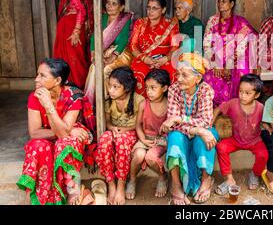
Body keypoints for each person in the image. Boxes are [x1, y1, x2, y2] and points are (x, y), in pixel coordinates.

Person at [17, 58, 94, 205]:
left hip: (68, 140)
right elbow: (34, 133)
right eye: (37, 75)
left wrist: (49, 106)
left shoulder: (74, 96)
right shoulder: (35, 97)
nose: (36, 79)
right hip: (55, 134)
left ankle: (72, 190)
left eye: (42, 75)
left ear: (57, 80)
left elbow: (64, 136)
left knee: (65, 143)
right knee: (37, 145)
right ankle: (38, 193)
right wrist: (67, 131)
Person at [160, 53, 218, 205]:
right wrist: (197, 130)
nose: (179, 79)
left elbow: (205, 122)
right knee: (174, 137)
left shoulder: (205, 90)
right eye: (178, 74)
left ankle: (206, 179)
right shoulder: (174, 90)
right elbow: (172, 123)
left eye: (184, 75)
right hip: (186, 132)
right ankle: (176, 185)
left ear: (197, 79)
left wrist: (182, 119)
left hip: (198, 131)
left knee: (207, 137)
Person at [95, 67, 145, 205]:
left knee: (122, 141)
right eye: (109, 86)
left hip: (131, 133)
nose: (110, 90)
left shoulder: (138, 100)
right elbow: (108, 122)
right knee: (105, 139)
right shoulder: (108, 101)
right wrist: (113, 129)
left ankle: (121, 184)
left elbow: (140, 124)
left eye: (115, 87)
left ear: (127, 88)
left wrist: (124, 130)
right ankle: (111, 183)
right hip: (116, 131)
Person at [214, 74, 268, 195]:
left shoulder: (261, 108)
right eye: (240, 91)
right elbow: (218, 109)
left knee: (263, 154)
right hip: (235, 139)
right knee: (221, 147)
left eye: (248, 93)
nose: (242, 95)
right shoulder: (233, 103)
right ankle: (229, 179)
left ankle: (255, 174)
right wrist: (209, 125)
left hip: (254, 140)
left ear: (257, 95)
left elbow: (265, 122)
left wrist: (269, 127)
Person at [203, 0, 258, 106]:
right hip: (215, 58)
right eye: (219, 1)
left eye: (224, 1)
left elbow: (242, 47)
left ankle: (236, 105)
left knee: (241, 71)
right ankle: (218, 107)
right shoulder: (212, 20)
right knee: (209, 75)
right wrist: (216, 63)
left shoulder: (240, 22)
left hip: (234, 58)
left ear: (232, 4)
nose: (220, 4)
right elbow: (206, 44)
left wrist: (229, 64)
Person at [127, 69, 170, 200]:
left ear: (164, 88)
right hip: (146, 137)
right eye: (147, 88)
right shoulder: (143, 104)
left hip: (162, 140)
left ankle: (163, 177)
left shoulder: (169, 104)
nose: (149, 92)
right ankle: (132, 180)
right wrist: (143, 140)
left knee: (151, 157)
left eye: (153, 88)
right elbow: (138, 125)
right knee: (139, 155)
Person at [84, 0, 133, 105]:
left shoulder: (125, 19)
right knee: (94, 67)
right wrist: (93, 53)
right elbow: (94, 37)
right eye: (108, 3)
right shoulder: (103, 18)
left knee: (105, 70)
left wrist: (113, 56)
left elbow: (124, 39)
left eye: (114, 4)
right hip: (103, 52)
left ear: (121, 7)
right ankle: (93, 103)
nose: (109, 6)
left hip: (120, 53)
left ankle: (108, 101)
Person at [53, 0, 93, 89]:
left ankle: (77, 88)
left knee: (75, 59)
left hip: (72, 30)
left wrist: (76, 32)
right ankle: (68, 87)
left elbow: (81, 11)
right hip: (67, 28)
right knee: (67, 58)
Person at [129, 0, 179, 96]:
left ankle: (169, 105)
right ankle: (143, 105)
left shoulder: (171, 24)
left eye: (154, 8)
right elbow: (133, 45)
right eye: (148, 8)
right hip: (144, 58)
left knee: (171, 70)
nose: (150, 11)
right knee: (140, 71)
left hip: (164, 59)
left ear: (163, 10)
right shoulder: (140, 23)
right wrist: (144, 58)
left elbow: (175, 46)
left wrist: (166, 58)